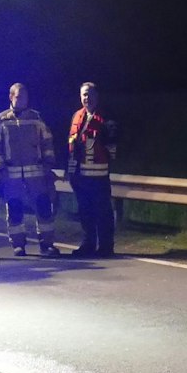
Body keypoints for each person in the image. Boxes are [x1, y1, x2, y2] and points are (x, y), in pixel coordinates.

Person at [0, 82, 60, 257]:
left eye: (25, 97)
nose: (22, 100)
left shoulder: (36, 118)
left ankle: (47, 244)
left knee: (44, 208)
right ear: (11, 97)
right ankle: (18, 244)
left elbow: (47, 142)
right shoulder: (1, 120)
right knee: (15, 210)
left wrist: (48, 164)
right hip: (11, 175)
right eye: (19, 97)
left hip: (36, 174)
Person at [66, 81, 118, 257]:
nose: (87, 98)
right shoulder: (77, 116)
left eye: (90, 94)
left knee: (103, 212)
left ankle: (106, 246)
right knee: (85, 212)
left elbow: (113, 148)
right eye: (84, 95)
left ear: (97, 96)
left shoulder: (106, 119)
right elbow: (71, 146)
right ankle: (88, 245)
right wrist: (70, 171)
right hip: (80, 176)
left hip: (99, 175)